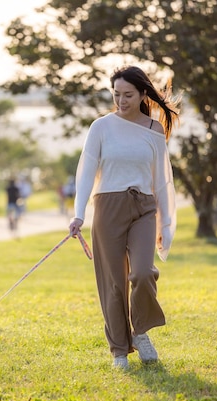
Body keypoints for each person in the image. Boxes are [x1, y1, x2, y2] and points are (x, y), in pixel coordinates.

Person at [68, 65, 180, 370]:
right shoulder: (101, 128)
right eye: (116, 94)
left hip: (144, 207)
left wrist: (165, 223)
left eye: (128, 95)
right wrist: (78, 215)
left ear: (143, 94)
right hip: (108, 207)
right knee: (113, 284)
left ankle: (140, 330)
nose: (121, 100)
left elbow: (162, 181)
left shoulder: (154, 130)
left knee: (143, 272)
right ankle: (120, 351)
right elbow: (86, 173)